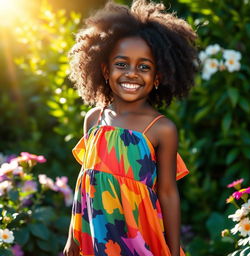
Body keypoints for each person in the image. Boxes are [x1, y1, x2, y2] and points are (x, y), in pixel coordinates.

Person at [63, 0, 198, 255]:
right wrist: (73, 236)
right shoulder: (94, 119)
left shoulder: (161, 129)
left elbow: (168, 193)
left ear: (158, 77)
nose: (131, 73)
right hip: (97, 237)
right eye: (121, 64)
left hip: (140, 240)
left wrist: (171, 249)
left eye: (144, 67)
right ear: (104, 69)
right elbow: (84, 183)